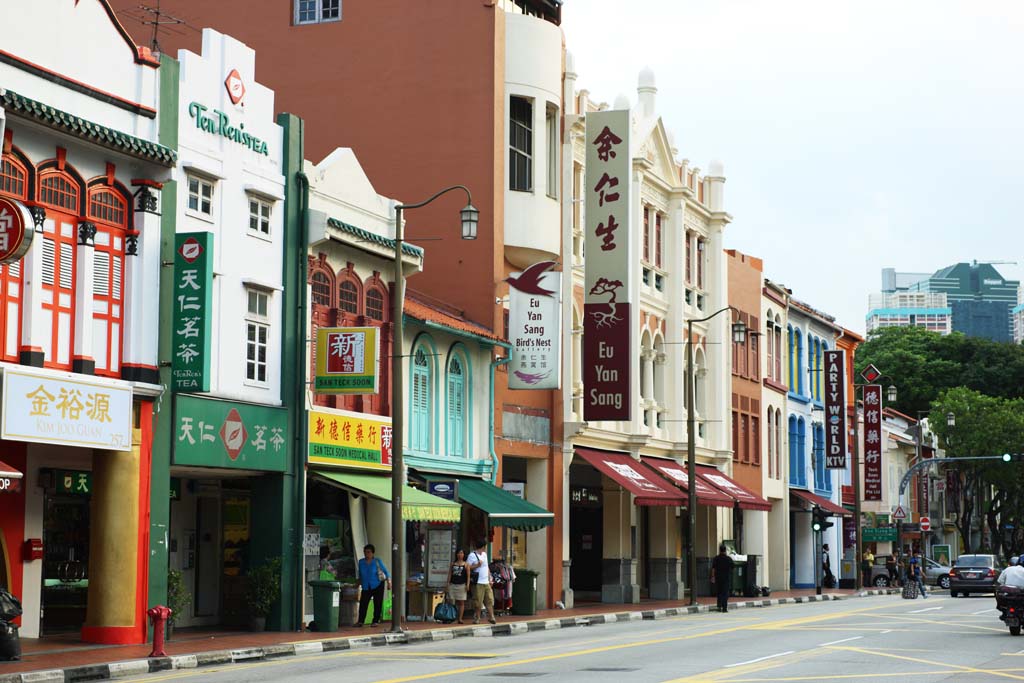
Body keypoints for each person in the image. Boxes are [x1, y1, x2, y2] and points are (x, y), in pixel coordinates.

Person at [355, 544, 391, 627]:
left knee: (377, 603)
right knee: (363, 603)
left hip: (377, 584)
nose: (366, 554)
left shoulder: (377, 561)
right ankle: (360, 621)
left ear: (372, 553)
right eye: (365, 552)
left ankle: (375, 620)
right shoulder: (361, 562)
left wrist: (389, 582)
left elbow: (386, 572)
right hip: (366, 586)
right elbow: (360, 574)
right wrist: (357, 584)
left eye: (368, 552)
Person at [467, 540, 496, 625]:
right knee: (478, 601)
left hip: (486, 581)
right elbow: (467, 567)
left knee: (489, 599)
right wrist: (477, 565)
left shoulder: (484, 555)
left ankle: (491, 617)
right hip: (478, 582)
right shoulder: (472, 555)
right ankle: (477, 618)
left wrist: (490, 578)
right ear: (483, 547)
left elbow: (487, 567)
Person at [447, 548, 471, 624]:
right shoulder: (453, 564)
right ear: (456, 554)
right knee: (451, 601)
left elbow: (468, 576)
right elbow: (450, 574)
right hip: (453, 585)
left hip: (462, 585)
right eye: (459, 553)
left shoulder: (466, 565)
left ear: (464, 555)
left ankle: (460, 618)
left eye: (461, 553)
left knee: (461, 602)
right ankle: (452, 617)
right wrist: (447, 584)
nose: (460, 555)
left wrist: (467, 584)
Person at [710, 544, 734, 613]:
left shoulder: (716, 558)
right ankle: (724, 608)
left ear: (719, 550)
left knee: (719, 592)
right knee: (725, 593)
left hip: (718, 578)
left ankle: (719, 606)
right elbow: (732, 567)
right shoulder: (728, 559)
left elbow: (713, 568)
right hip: (726, 578)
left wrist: (713, 577)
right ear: (725, 550)